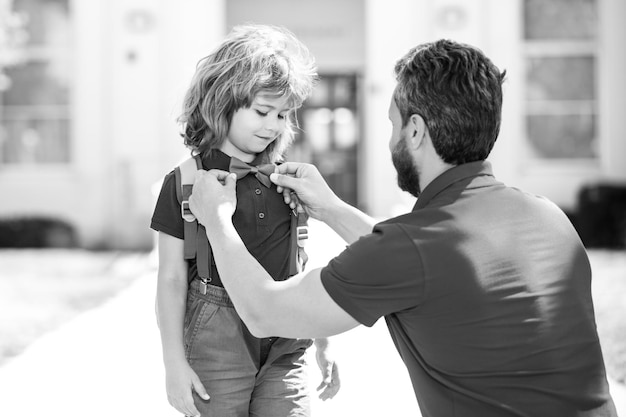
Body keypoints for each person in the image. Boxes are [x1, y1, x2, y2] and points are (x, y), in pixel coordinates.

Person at [188, 39, 618, 417]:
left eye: (393, 125)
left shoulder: (413, 248)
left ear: (415, 131)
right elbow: (432, 265)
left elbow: (265, 312)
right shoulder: (550, 218)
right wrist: (333, 208)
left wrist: (218, 218)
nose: (391, 138)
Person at [150, 24, 339, 417]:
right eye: (262, 111)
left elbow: (301, 262)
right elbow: (169, 278)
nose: (272, 125)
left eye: (282, 114)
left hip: (287, 340)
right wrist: (173, 363)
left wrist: (322, 337)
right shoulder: (185, 181)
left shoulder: (289, 179)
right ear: (223, 102)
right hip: (217, 342)